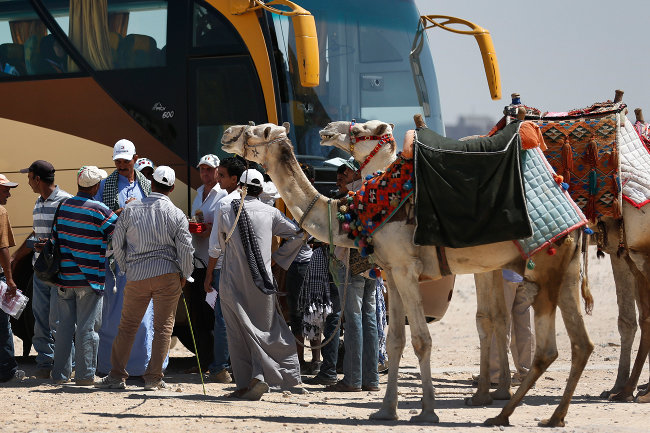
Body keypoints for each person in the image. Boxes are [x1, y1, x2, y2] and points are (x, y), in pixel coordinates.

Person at [96, 166, 194, 390]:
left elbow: (117, 243)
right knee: (163, 329)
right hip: (168, 275)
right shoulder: (176, 214)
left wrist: (126, 268)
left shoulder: (131, 210)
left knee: (127, 326)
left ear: (152, 182)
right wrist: (184, 275)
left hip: (137, 275)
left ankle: (116, 375)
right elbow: (186, 250)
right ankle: (153, 378)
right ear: (172, 188)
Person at [216, 169, 303, 399]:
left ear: (240, 188)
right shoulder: (271, 212)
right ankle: (262, 376)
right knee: (265, 331)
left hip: (233, 279)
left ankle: (246, 383)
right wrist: (278, 258)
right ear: (261, 189)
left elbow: (219, 245)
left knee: (237, 333)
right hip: (262, 282)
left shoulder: (226, 209)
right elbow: (299, 233)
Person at [51, 167, 117, 385]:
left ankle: (59, 375)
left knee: (64, 328)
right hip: (90, 279)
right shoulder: (100, 210)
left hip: (64, 278)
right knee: (87, 329)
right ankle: (85, 375)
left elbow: (55, 238)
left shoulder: (63, 206)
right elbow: (117, 234)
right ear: (96, 186)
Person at [95, 138, 155, 377]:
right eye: (117, 161)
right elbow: (98, 218)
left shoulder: (146, 185)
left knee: (142, 315)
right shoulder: (105, 186)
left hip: (142, 258)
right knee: (111, 315)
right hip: (114, 260)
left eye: (125, 160)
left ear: (134, 158)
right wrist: (121, 211)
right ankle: (109, 367)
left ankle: (141, 368)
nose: (121, 165)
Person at [11, 160, 72, 379]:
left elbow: (70, 236)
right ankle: (45, 363)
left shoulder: (65, 201)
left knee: (59, 322)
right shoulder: (38, 202)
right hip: (40, 271)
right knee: (40, 322)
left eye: (29, 177)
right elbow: (38, 232)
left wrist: (50, 245)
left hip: (59, 272)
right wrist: (20, 254)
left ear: (37, 179)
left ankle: (65, 365)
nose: (28, 182)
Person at [325, 158, 380, 393]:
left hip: (351, 262)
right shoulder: (372, 193)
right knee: (369, 317)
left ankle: (353, 379)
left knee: (354, 318)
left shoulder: (350, 200)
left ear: (353, 174)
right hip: (373, 263)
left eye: (343, 173)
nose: (340, 177)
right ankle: (371, 379)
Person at [204, 156, 246, 383]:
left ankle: (220, 368)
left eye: (221, 175)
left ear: (234, 179)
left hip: (224, 268)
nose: (217, 179)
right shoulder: (253, 201)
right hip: (247, 270)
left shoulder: (224, 204)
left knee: (222, 319)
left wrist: (209, 273)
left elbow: (215, 247)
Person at [188, 154, 226, 369]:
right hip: (198, 260)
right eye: (202, 169)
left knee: (212, 314)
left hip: (215, 262)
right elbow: (200, 222)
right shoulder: (199, 192)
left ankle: (215, 361)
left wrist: (204, 229)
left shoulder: (222, 194)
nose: (205, 173)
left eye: (209, 170)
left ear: (217, 171)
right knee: (198, 314)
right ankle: (202, 360)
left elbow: (217, 228)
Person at [284, 163, 320, 374]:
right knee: (297, 314)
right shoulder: (293, 203)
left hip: (307, 264)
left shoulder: (315, 205)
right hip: (295, 264)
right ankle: (300, 360)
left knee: (312, 312)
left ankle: (314, 360)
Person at [485, 270, 535, 386]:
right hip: (528, 271)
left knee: (500, 321)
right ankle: (526, 374)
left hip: (505, 272)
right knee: (525, 322)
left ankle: (496, 375)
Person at [0, 174, 25, 383]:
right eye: (5, 189)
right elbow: (3, 248)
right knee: (2, 325)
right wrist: (10, 280)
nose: (9, 193)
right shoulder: (0, 211)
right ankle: (7, 371)